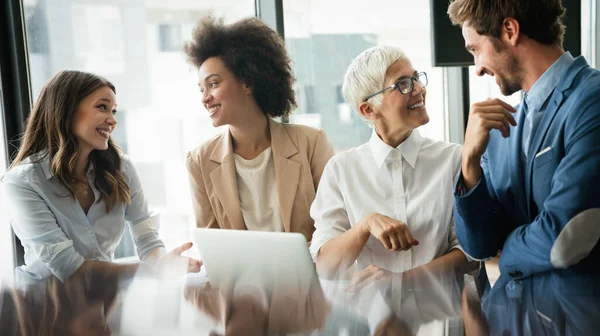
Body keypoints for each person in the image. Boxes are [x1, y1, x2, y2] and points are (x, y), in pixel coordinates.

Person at [309, 46, 477, 323]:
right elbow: (326, 266)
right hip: (370, 323)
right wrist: (365, 225)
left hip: (441, 320)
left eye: (416, 78)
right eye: (402, 84)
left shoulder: (452, 159)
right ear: (368, 108)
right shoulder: (341, 170)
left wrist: (401, 281)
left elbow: (469, 253)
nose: (419, 89)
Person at [447, 0, 600, 291]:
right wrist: (469, 162)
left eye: (476, 49)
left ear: (509, 30)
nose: (476, 68)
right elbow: (480, 247)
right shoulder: (499, 130)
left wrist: (507, 251)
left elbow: (565, 240)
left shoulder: (591, 100)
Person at [1, 70, 201, 287]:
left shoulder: (122, 169)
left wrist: (163, 262)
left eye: (114, 111)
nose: (113, 121)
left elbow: (147, 239)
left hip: (102, 302)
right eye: (102, 107)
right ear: (67, 110)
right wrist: (151, 271)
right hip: (45, 310)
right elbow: (68, 267)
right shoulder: (23, 181)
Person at [183, 16, 335, 242]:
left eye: (213, 84)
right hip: (242, 278)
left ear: (247, 82)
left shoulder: (311, 144)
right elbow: (213, 246)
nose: (205, 98)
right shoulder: (200, 161)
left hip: (308, 275)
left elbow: (333, 228)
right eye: (201, 89)